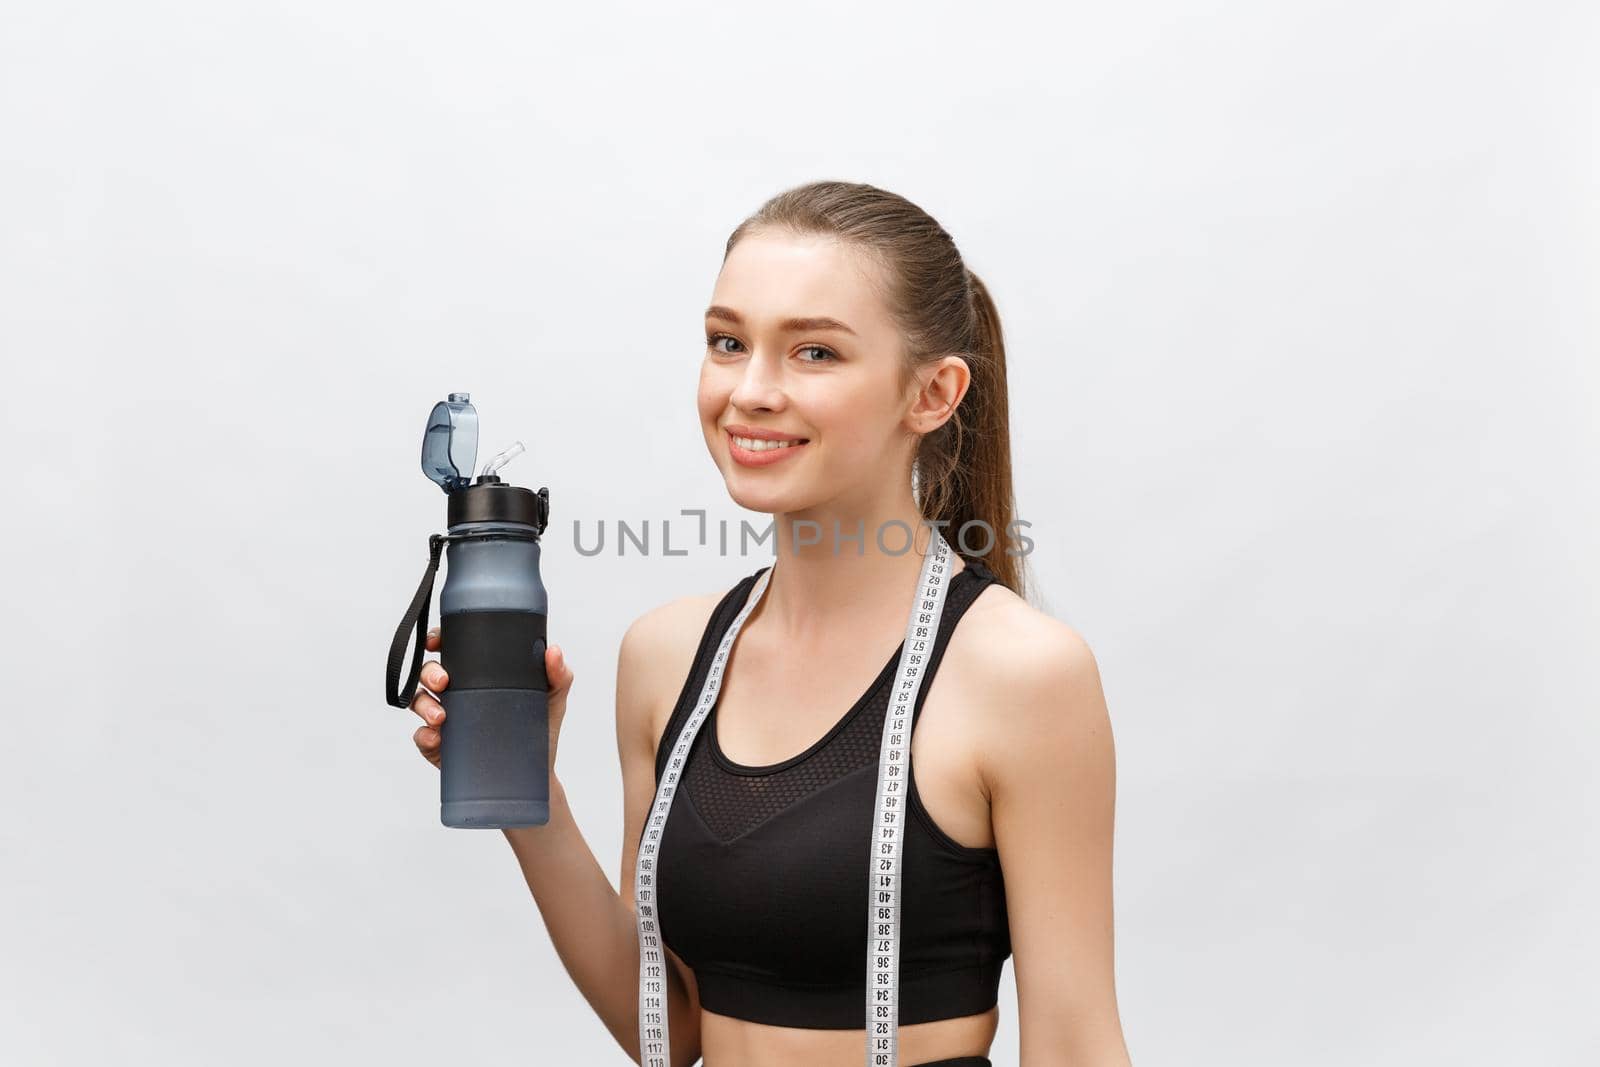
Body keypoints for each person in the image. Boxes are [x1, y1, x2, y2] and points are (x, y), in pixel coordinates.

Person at [406, 180, 1132, 1067]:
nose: (750, 390)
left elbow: (1074, 1043)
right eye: (727, 342)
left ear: (933, 393)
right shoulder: (668, 658)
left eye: (815, 353)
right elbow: (667, 1031)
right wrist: (530, 787)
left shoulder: (1019, 674)